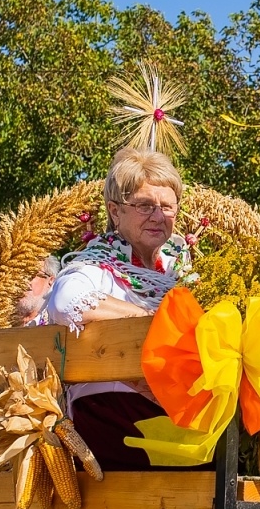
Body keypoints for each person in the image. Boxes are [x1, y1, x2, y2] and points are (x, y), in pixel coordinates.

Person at [45, 148, 193, 468]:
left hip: (172, 420)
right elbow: (65, 301)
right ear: (115, 211)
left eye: (167, 206)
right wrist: (156, 323)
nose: (158, 216)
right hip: (114, 420)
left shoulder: (178, 275)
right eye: (144, 205)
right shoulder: (97, 265)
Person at [15, 255, 61, 326]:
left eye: (31, 274)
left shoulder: (59, 321)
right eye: (18, 274)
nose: (23, 281)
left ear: (51, 281)